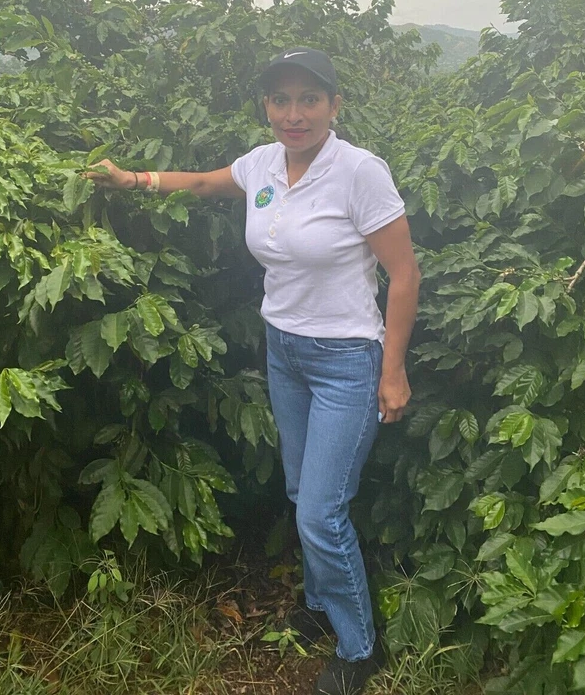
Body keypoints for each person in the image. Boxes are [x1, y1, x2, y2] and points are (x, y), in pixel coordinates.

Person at [85, 47, 420, 695]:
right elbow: (208, 182)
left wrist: (393, 369)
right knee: (302, 497)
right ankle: (323, 608)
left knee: (322, 513)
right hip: (284, 351)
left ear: (334, 105)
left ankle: (359, 648)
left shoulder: (359, 172)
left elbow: (404, 274)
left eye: (309, 99)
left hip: (347, 359)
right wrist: (132, 180)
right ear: (267, 105)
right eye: (280, 99)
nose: (293, 113)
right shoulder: (263, 163)